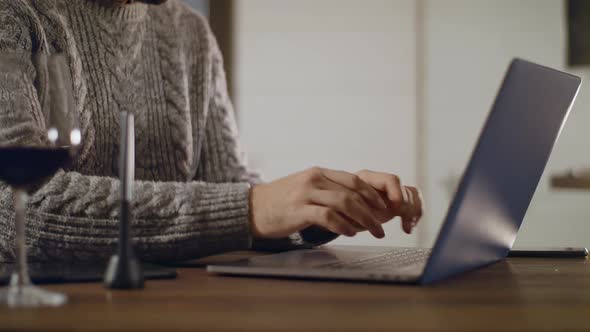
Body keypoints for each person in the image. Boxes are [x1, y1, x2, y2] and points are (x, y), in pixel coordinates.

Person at [0, 0, 423, 263]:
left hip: (178, 306)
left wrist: (317, 212)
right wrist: (249, 208)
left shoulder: (189, 32)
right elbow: (15, 210)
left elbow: (230, 193)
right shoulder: (15, 17)